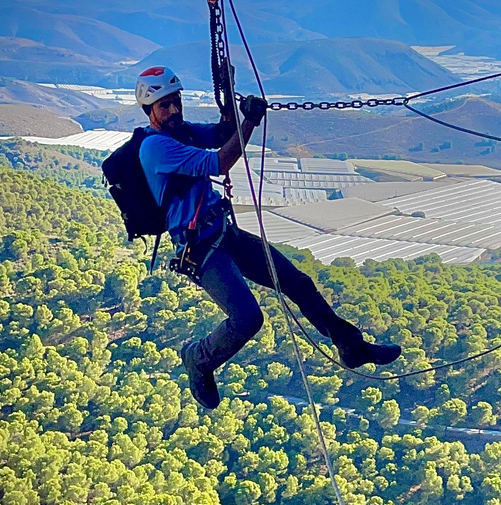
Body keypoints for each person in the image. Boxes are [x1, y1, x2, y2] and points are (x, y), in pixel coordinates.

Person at [135, 65, 402, 409]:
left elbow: (221, 133)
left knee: (298, 283)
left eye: (176, 102)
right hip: (201, 250)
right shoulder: (156, 148)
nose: (173, 111)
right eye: (164, 106)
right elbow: (220, 161)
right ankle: (199, 360)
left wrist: (231, 101)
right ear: (150, 111)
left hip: (223, 231)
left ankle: (352, 346)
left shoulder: (182, 132)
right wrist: (250, 122)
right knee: (248, 319)